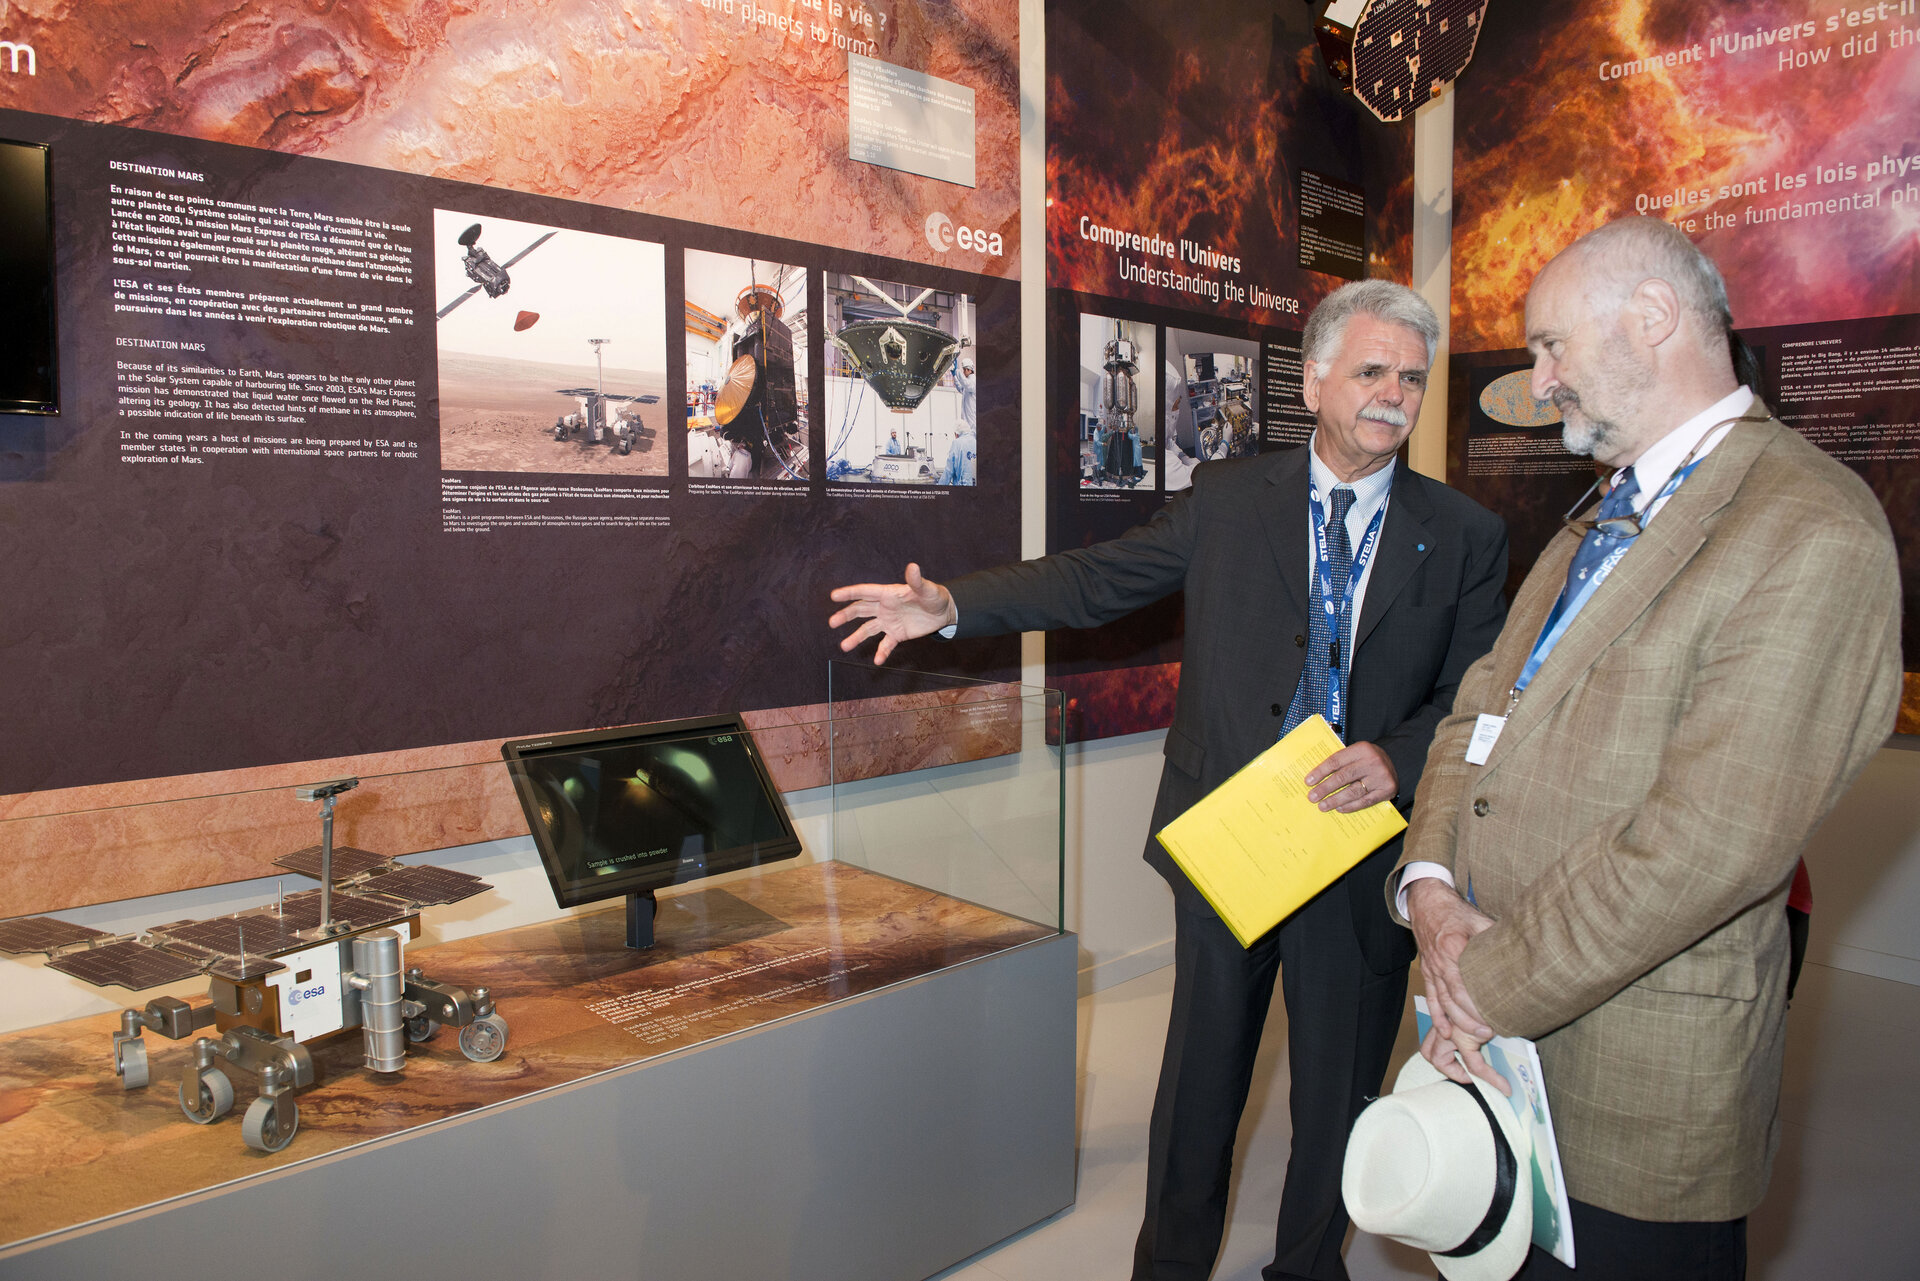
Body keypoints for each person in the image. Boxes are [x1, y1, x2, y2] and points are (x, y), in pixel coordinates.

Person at [829, 280, 1509, 1281]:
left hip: (1360, 843)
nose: (1392, 394)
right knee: (1200, 1083)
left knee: (1338, 1094)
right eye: (1370, 371)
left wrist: (1395, 758)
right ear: (1316, 379)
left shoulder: (1463, 534)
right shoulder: (1232, 498)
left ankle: (1308, 1267)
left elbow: (1473, 693)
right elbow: (1097, 579)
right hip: (1230, 836)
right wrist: (956, 608)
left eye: (1410, 377)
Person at [1397, 216, 1901, 1280]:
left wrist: (1482, 985)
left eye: (1551, 346)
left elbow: (1711, 839)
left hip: (1634, 1088)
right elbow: (1481, 707)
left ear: (1654, 318)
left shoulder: (1812, 528)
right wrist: (1432, 887)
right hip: (1496, 1041)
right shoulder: (1596, 516)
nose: (1540, 383)